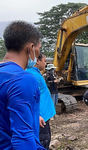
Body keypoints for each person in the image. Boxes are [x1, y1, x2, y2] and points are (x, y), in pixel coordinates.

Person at [0, 21, 45, 149]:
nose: (37, 55)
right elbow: (22, 137)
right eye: (38, 49)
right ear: (30, 48)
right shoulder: (22, 79)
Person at [26, 53, 56, 150]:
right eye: (44, 61)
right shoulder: (32, 75)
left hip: (44, 116)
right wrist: (37, 115)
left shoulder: (36, 73)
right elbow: (29, 97)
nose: (45, 64)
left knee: (46, 140)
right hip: (41, 118)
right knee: (43, 141)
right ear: (37, 61)